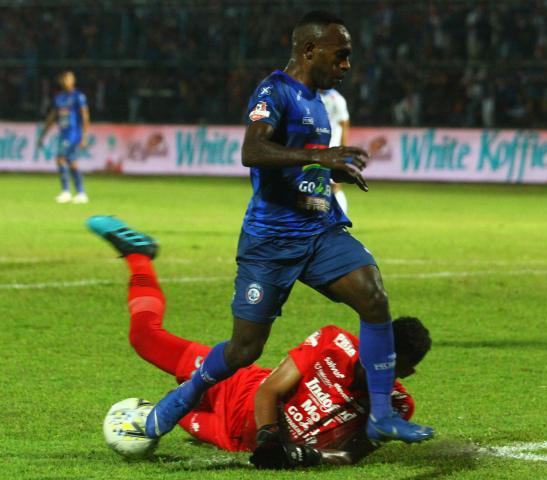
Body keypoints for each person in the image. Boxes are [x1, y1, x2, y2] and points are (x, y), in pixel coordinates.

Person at [138, 10, 434, 446]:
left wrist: (331, 172)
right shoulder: (273, 90)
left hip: (318, 230)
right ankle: (187, 394)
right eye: (341, 55)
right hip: (271, 240)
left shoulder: (318, 102)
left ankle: (382, 415)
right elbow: (253, 151)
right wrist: (322, 158)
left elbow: (303, 162)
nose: (346, 65)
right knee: (245, 350)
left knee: (374, 298)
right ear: (310, 49)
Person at [86, 215, 432, 469]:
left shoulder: (397, 406)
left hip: (233, 437)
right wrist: (270, 435)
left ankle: (157, 415)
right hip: (235, 386)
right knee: (145, 338)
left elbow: (352, 454)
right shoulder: (335, 344)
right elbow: (268, 391)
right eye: (377, 352)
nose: (375, 363)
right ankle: (138, 255)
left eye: (390, 363)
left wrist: (305, 455)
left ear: (408, 371)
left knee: (155, 436)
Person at [38, 70, 90, 204]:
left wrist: (84, 136)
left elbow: (85, 117)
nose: (66, 81)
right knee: (72, 163)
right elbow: (53, 116)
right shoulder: (59, 98)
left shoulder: (78, 96)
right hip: (63, 133)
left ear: (73, 81)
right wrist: (43, 134)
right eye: (64, 79)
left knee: (60, 159)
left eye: (69, 78)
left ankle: (67, 191)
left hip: (73, 133)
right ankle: (80, 193)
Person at [321, 88, 351, 214]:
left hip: (332, 148)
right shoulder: (312, 95)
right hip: (317, 148)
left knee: (335, 185)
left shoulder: (337, 99)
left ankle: (341, 218)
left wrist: (343, 149)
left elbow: (344, 124)